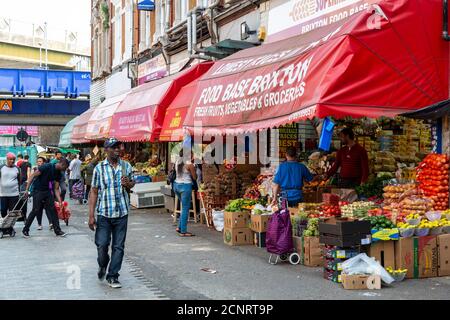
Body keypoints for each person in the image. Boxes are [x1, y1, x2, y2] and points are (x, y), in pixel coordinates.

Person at [88, 138, 134, 288]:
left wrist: (129, 184)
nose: (117, 150)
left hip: (122, 212)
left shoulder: (126, 166)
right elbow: (94, 191)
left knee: (118, 246)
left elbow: (131, 185)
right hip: (104, 214)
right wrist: (91, 215)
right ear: (106, 150)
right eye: (113, 147)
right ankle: (102, 264)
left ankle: (113, 276)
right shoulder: (99, 168)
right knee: (102, 245)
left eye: (118, 147)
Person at [22, 158, 69, 238]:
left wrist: (60, 200)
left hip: (47, 191)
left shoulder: (59, 173)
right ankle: (25, 230)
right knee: (35, 210)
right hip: (38, 191)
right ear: (62, 164)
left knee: (53, 210)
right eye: (65, 168)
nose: (65, 170)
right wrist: (26, 190)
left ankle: (57, 231)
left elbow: (56, 188)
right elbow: (32, 176)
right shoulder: (47, 166)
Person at [173, 149, 197, 237]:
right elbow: (194, 177)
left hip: (176, 185)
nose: (193, 155)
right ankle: (183, 231)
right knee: (186, 208)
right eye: (192, 154)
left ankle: (179, 227)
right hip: (185, 186)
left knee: (184, 207)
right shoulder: (190, 164)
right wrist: (194, 167)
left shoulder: (177, 161)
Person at [0, 153, 21, 227]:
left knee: (12, 212)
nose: (12, 161)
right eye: (10, 159)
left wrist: (19, 191)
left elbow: (19, 181)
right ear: (7, 159)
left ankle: (10, 226)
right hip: (3, 194)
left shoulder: (17, 168)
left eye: (13, 159)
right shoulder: (1, 168)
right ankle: (4, 225)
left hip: (14, 194)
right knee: (3, 210)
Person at [32, 157, 52, 230]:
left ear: (43, 162)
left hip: (46, 191)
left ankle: (51, 223)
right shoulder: (35, 170)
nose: (38, 163)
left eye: (40, 161)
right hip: (37, 191)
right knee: (38, 209)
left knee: (48, 208)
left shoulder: (47, 170)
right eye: (38, 161)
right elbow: (32, 178)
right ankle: (39, 224)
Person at [18, 155, 32, 221]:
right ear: (28, 158)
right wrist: (28, 179)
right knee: (24, 197)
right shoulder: (28, 164)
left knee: (21, 196)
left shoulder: (21, 163)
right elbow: (28, 171)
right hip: (25, 180)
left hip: (21, 180)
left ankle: (22, 215)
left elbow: (20, 171)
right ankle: (23, 216)